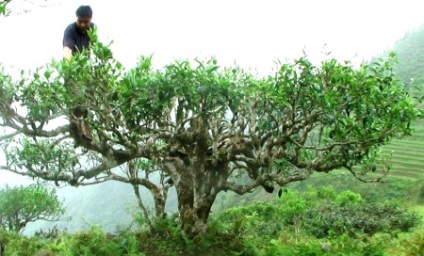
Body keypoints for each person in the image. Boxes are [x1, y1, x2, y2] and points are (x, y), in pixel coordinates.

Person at [62, 5, 95, 141]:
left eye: (85, 22)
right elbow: (67, 51)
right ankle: (77, 129)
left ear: (90, 19)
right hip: (73, 70)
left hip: (86, 70)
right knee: (75, 103)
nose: (82, 24)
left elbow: (95, 48)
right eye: (80, 21)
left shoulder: (93, 28)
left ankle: (88, 131)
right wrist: (69, 70)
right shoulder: (70, 30)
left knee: (88, 102)